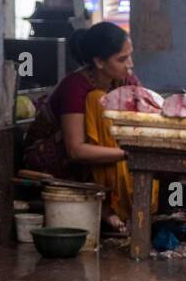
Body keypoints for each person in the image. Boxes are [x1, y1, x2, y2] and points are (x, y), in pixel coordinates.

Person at [22, 22, 144, 233]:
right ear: (99, 62)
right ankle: (107, 206)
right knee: (98, 100)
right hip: (55, 157)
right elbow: (76, 150)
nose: (130, 64)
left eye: (130, 55)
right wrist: (127, 154)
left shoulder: (126, 81)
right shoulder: (75, 86)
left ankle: (123, 205)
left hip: (104, 152)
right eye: (122, 59)